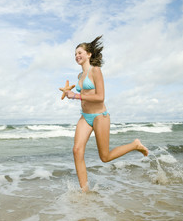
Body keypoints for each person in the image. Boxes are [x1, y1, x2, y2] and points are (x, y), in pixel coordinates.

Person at [64, 35, 149, 192]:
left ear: (89, 54)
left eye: (80, 52)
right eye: (75, 54)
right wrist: (71, 93)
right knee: (76, 150)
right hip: (85, 116)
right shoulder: (79, 76)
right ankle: (85, 191)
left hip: (100, 116)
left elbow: (100, 97)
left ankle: (135, 145)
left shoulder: (95, 71)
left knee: (105, 157)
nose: (77, 56)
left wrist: (75, 96)